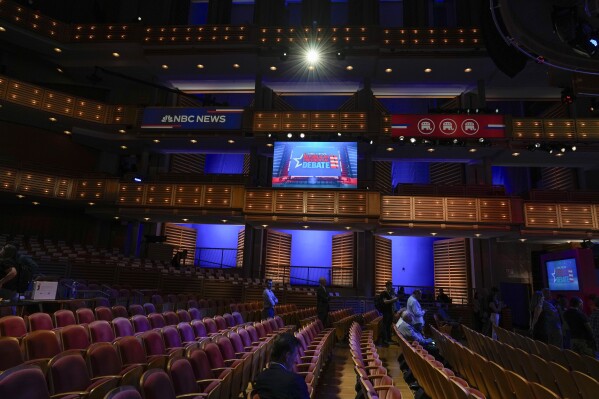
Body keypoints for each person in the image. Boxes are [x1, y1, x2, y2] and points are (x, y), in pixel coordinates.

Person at [252, 332, 310, 399]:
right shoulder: (295, 381)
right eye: (295, 355)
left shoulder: (261, 378)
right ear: (287, 356)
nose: (296, 360)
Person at [378, 281, 399, 347]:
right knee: (385, 326)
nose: (391, 287)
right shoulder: (384, 293)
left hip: (389, 312)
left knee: (388, 326)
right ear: (387, 286)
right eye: (390, 285)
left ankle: (389, 339)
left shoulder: (388, 293)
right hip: (386, 312)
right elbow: (385, 302)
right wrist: (393, 300)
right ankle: (385, 340)